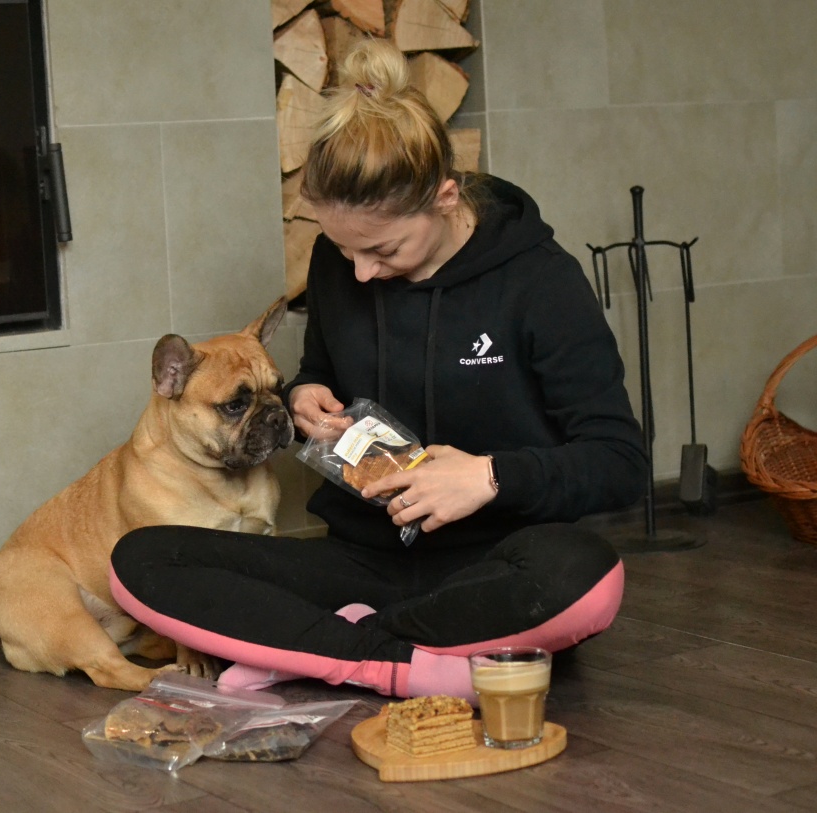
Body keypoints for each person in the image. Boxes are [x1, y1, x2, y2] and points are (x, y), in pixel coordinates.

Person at [107, 39, 647, 701]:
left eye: (384, 249)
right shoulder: (338, 264)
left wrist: (488, 477)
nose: (361, 273)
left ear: (445, 197)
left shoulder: (541, 281)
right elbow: (320, 368)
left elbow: (619, 461)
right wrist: (305, 395)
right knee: (140, 559)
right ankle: (410, 662)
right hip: (359, 561)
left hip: (493, 564)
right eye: (345, 251)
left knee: (588, 575)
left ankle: (325, 645)